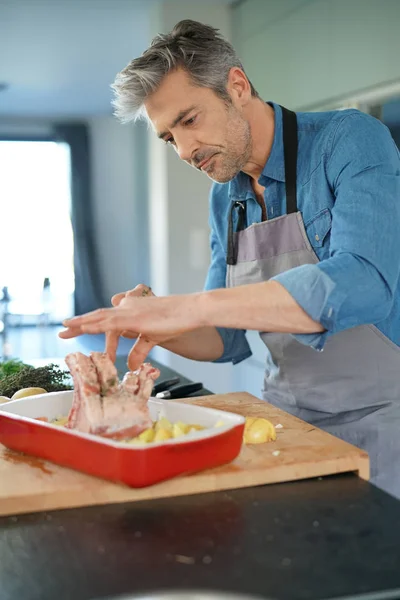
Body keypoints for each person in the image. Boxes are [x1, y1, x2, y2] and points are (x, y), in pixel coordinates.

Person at [60, 20, 400, 497]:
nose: (182, 150)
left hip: (383, 423)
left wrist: (188, 307)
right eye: (167, 137)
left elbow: (365, 282)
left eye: (189, 120)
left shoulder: (350, 141)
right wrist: (159, 324)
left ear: (236, 87)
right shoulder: (228, 199)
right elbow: (227, 338)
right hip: (286, 420)